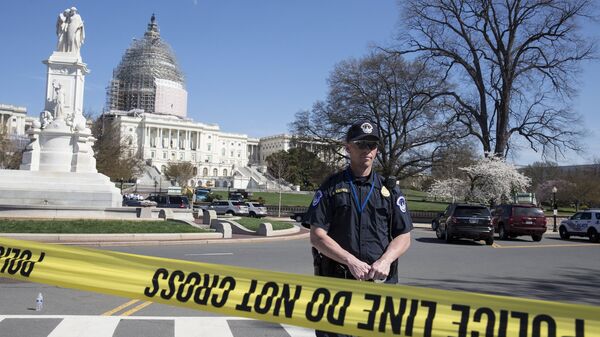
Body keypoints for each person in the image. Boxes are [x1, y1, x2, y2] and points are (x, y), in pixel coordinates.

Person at [303, 121, 413, 337]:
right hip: (337, 288)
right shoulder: (331, 186)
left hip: (378, 288)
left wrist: (386, 260)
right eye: (361, 144)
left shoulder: (389, 190)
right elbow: (317, 236)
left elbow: (404, 235)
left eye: (372, 145)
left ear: (377, 150)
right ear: (348, 147)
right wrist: (350, 261)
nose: (367, 150)